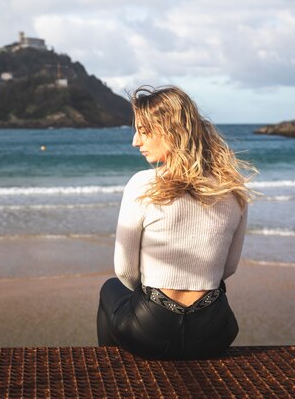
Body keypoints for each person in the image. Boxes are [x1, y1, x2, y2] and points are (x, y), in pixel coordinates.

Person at [97, 85, 255, 359]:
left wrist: (155, 296)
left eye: (144, 131)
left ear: (171, 131)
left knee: (109, 288)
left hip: (150, 329)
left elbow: (124, 271)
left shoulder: (143, 184)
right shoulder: (233, 188)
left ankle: (110, 371)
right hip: (214, 332)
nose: (135, 141)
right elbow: (227, 269)